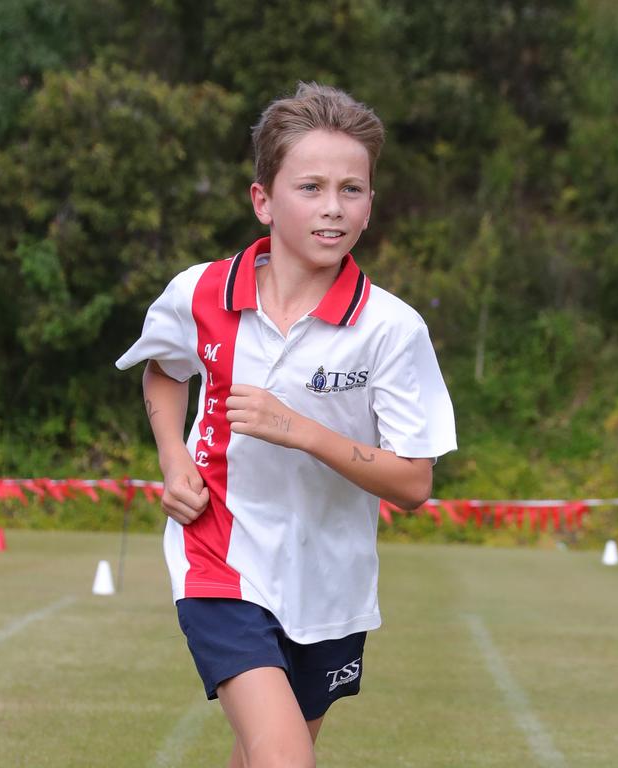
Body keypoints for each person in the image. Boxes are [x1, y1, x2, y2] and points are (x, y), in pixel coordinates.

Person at [116, 82, 456, 768]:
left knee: (264, 756)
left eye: (352, 189)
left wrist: (301, 430)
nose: (333, 207)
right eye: (311, 187)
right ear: (263, 200)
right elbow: (162, 370)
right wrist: (172, 460)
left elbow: (414, 482)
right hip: (220, 558)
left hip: (331, 582)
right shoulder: (200, 293)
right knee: (283, 759)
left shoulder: (391, 328)